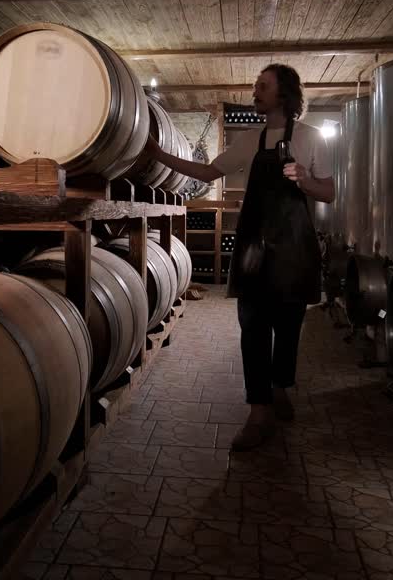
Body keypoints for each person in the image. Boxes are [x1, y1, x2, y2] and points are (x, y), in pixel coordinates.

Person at [143, 64, 335, 450]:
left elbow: (328, 194)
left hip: (295, 251)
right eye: (256, 85)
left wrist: (303, 178)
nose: (254, 91)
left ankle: (281, 386)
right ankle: (258, 411)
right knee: (253, 328)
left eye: (262, 86)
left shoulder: (313, 139)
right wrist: (159, 155)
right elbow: (207, 171)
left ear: (283, 94)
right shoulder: (251, 140)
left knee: (289, 328)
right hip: (254, 251)